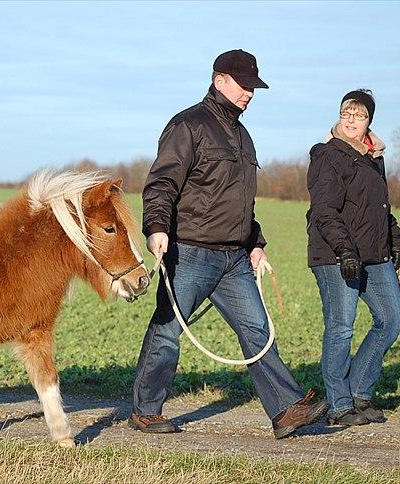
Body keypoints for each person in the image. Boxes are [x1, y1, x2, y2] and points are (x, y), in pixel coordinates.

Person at [129, 49, 329, 439]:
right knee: (168, 331)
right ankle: (146, 410)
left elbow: (239, 200)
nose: (249, 94)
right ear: (219, 79)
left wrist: (255, 241)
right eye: (243, 85)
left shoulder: (242, 135)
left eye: (253, 87)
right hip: (189, 252)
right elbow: (162, 183)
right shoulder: (187, 125)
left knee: (258, 332)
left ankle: (286, 410)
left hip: (234, 258)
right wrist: (156, 227)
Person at [306, 89, 400, 426]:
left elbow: (381, 211)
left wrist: (398, 248)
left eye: (359, 115)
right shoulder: (327, 156)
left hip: (373, 255)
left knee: (391, 318)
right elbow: (324, 211)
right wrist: (345, 250)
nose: (351, 120)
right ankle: (339, 406)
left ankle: (360, 393)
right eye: (346, 113)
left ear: (369, 121)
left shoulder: (373, 157)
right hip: (336, 255)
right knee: (340, 327)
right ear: (339, 116)